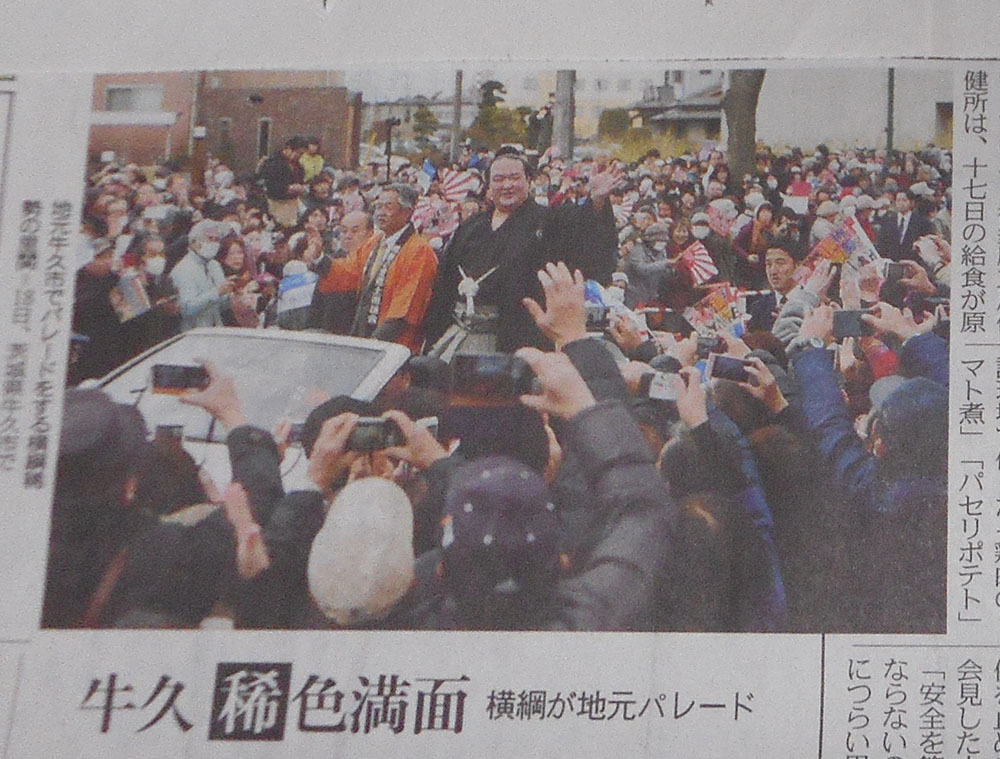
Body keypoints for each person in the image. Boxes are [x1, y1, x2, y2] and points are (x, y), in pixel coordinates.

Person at [424, 151, 620, 356]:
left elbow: (588, 245)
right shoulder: (472, 226)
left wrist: (596, 201)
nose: (507, 185)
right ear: (489, 186)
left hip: (519, 336)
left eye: (514, 178)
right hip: (461, 330)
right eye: (499, 179)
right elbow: (445, 283)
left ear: (529, 181)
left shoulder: (550, 221)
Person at [317, 183, 437, 352]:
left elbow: (406, 308)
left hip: (395, 344)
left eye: (388, 207)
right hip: (365, 334)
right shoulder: (376, 242)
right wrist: (319, 259)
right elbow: (350, 272)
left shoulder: (419, 250)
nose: (381, 212)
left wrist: (375, 345)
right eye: (378, 206)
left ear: (407, 212)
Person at [169, 219, 233, 330]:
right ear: (194, 242)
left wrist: (231, 292)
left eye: (217, 239)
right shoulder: (183, 269)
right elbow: (186, 308)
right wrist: (216, 292)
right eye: (210, 239)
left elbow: (221, 305)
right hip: (194, 332)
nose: (214, 243)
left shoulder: (214, 265)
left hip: (216, 328)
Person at [257, 136, 308, 228]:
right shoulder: (273, 163)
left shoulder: (298, 167)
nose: (299, 156)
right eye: (298, 153)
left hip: (292, 204)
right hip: (275, 203)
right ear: (288, 149)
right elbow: (269, 185)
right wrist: (287, 188)